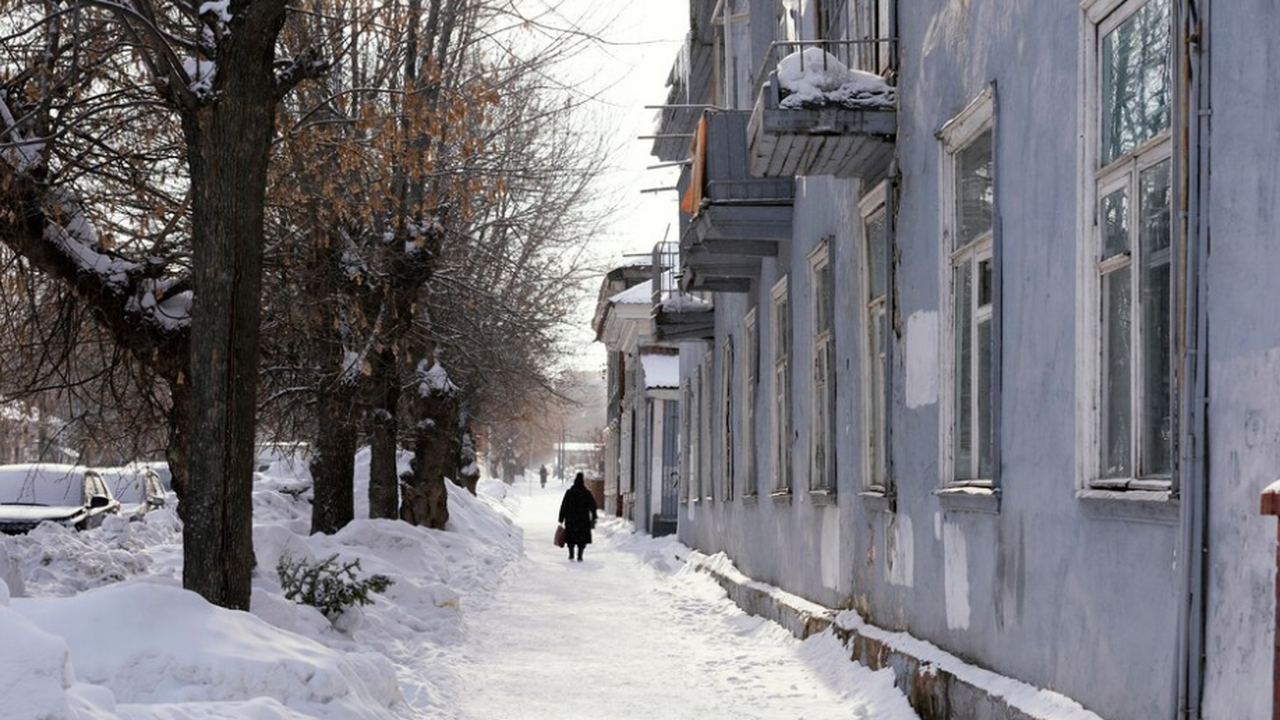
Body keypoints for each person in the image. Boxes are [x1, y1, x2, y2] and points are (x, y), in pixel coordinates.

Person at [558, 471, 598, 562]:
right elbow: (593, 506)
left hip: (571, 519)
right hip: (583, 520)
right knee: (581, 539)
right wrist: (594, 517)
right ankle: (580, 555)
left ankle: (571, 554)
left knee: (571, 538)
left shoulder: (569, 492)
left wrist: (561, 518)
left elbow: (564, 505)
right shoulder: (587, 493)